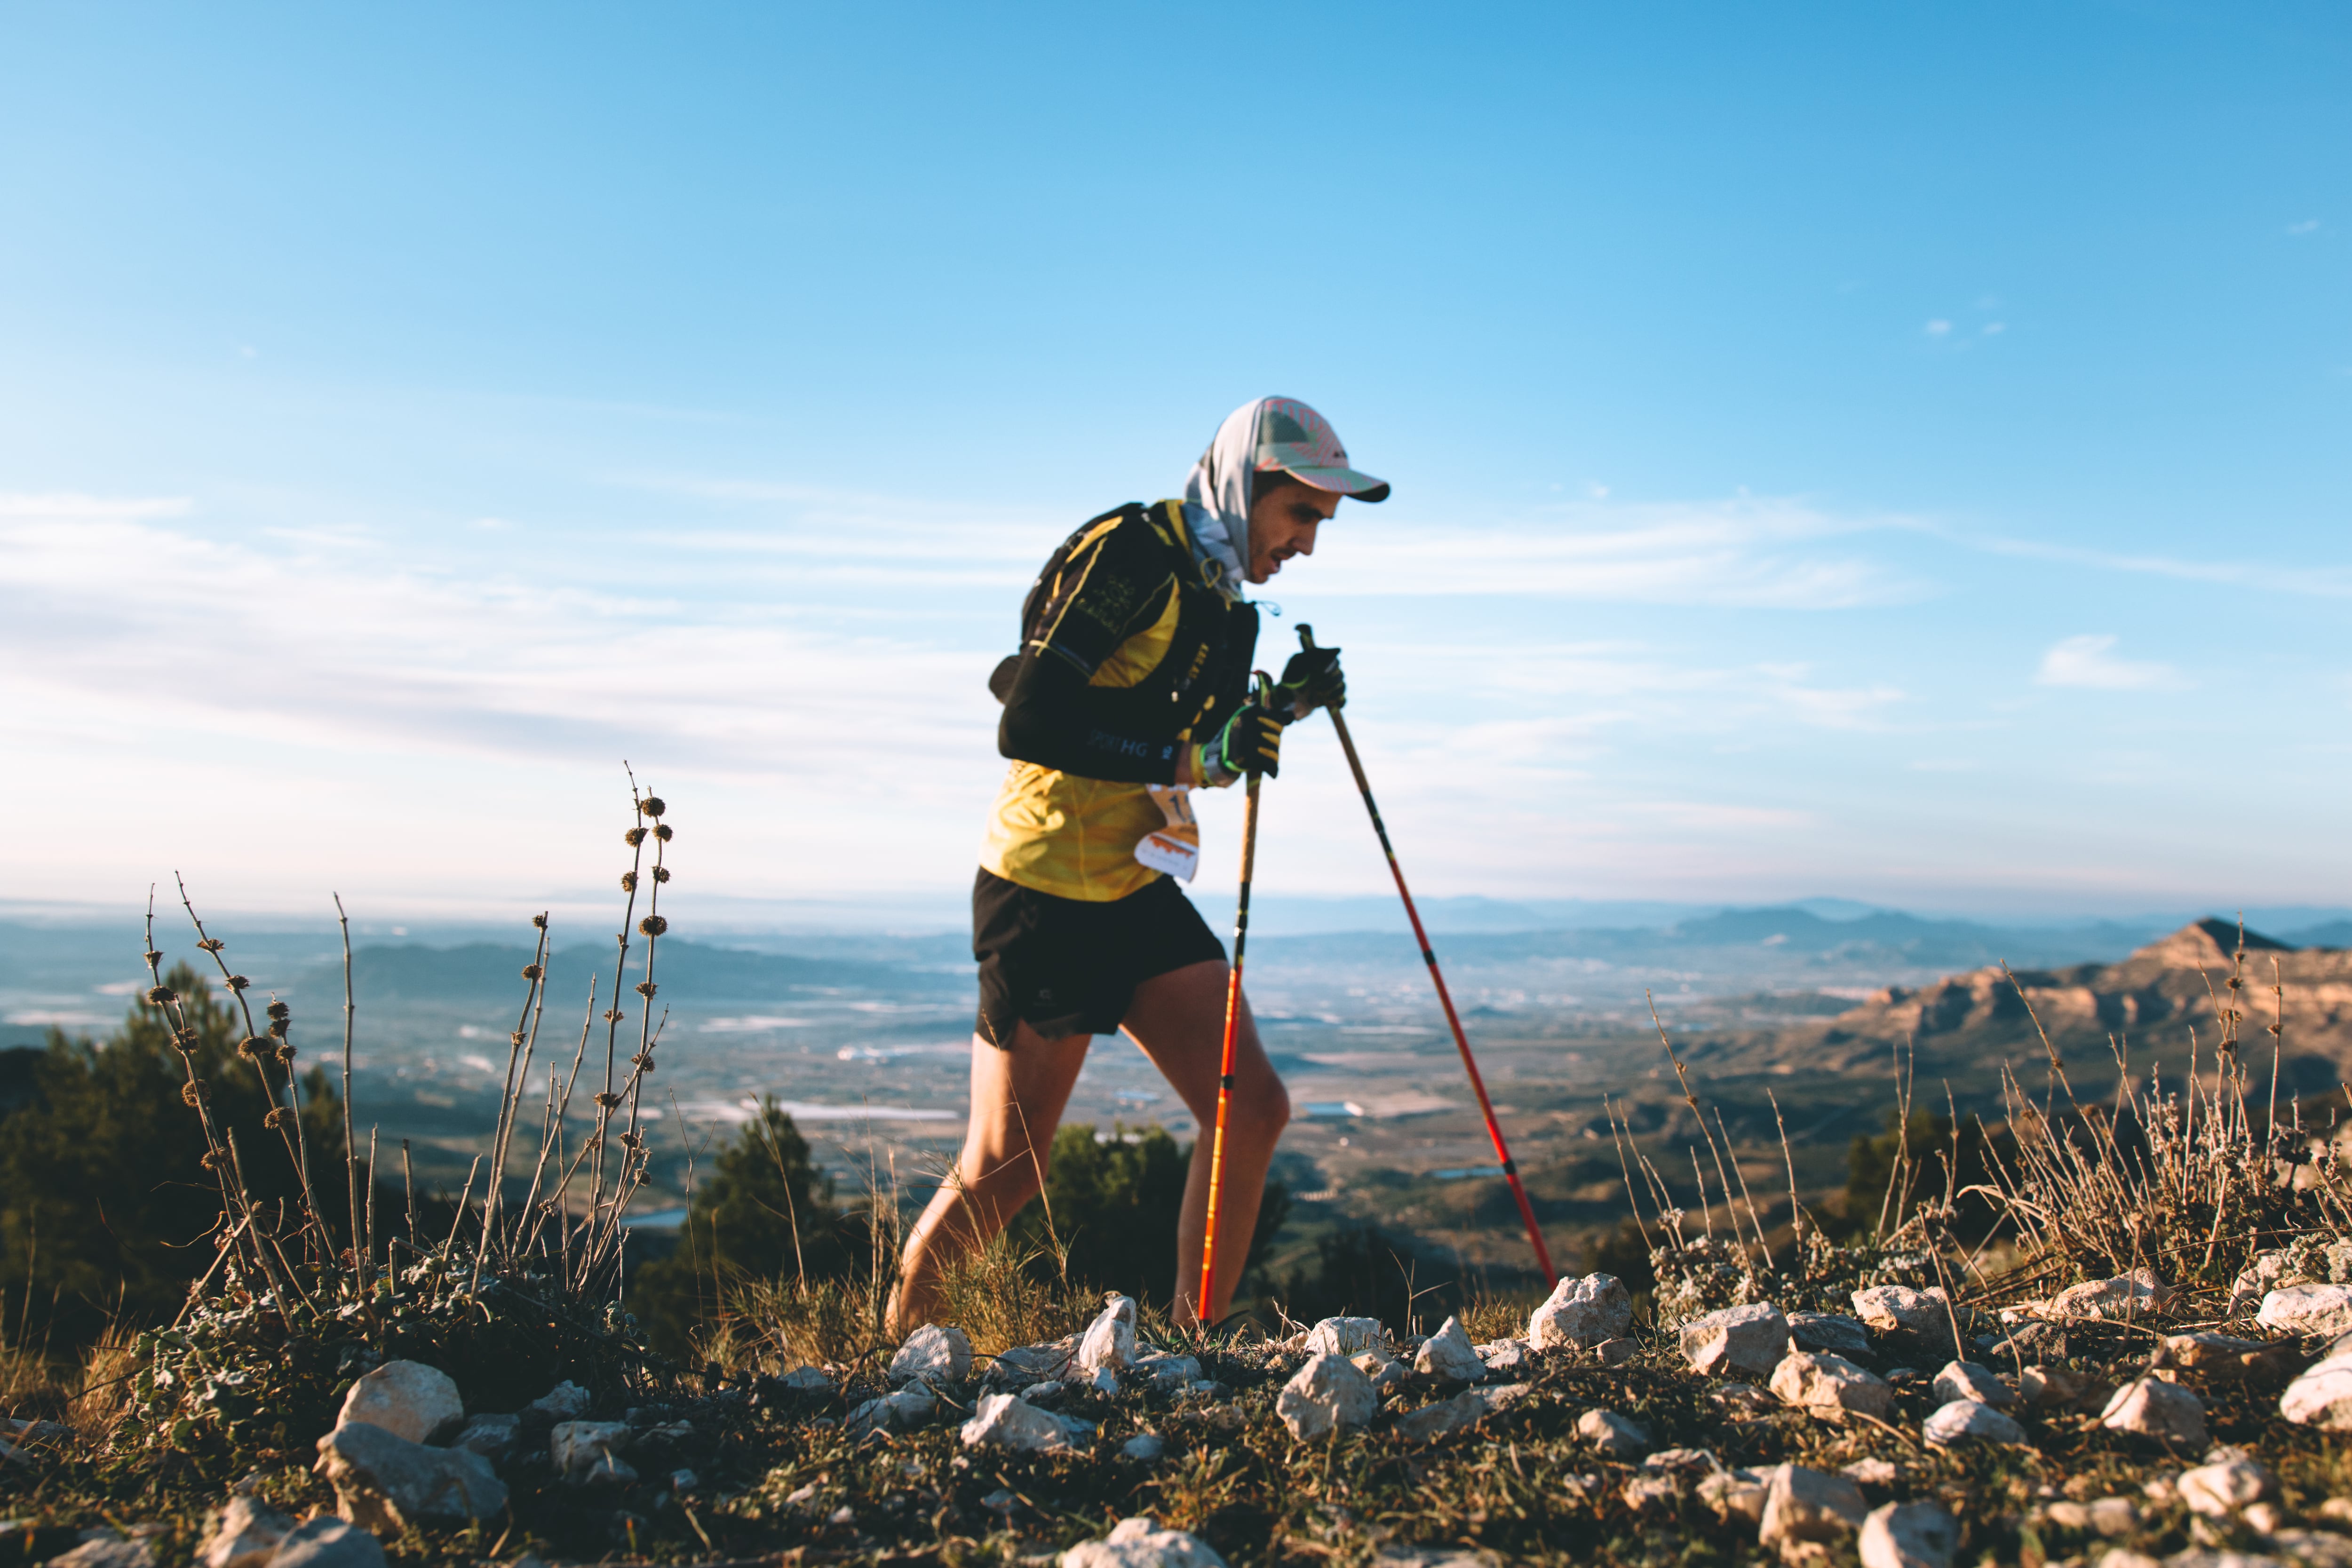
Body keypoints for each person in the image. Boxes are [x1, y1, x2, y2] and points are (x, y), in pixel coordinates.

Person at [890, 396, 1389, 1332]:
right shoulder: (1135, 554)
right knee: (1007, 1161)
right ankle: (889, 1371)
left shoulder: (1223, 595)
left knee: (1251, 1107)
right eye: (1303, 515)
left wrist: (1280, 706)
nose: (1309, 545)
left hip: (1134, 882)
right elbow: (1029, 716)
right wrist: (1192, 759)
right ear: (1249, 486)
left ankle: (1190, 1342)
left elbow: (1193, 732)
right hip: (1043, 889)